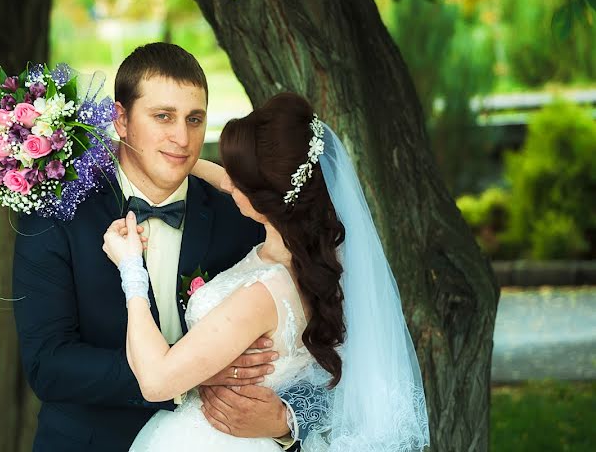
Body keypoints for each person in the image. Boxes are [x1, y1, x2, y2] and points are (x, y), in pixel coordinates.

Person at [13, 43, 308, 451]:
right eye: (163, 117)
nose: (182, 138)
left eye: (195, 119)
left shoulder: (238, 214)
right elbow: (48, 364)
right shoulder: (58, 216)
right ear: (120, 119)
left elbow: (306, 342)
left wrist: (284, 422)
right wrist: (187, 374)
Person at [102, 92, 430, 451]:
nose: (228, 182)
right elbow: (228, 180)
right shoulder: (318, 257)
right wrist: (152, 148)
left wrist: (132, 268)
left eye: (238, 178)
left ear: (260, 199)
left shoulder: (263, 294)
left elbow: (155, 381)